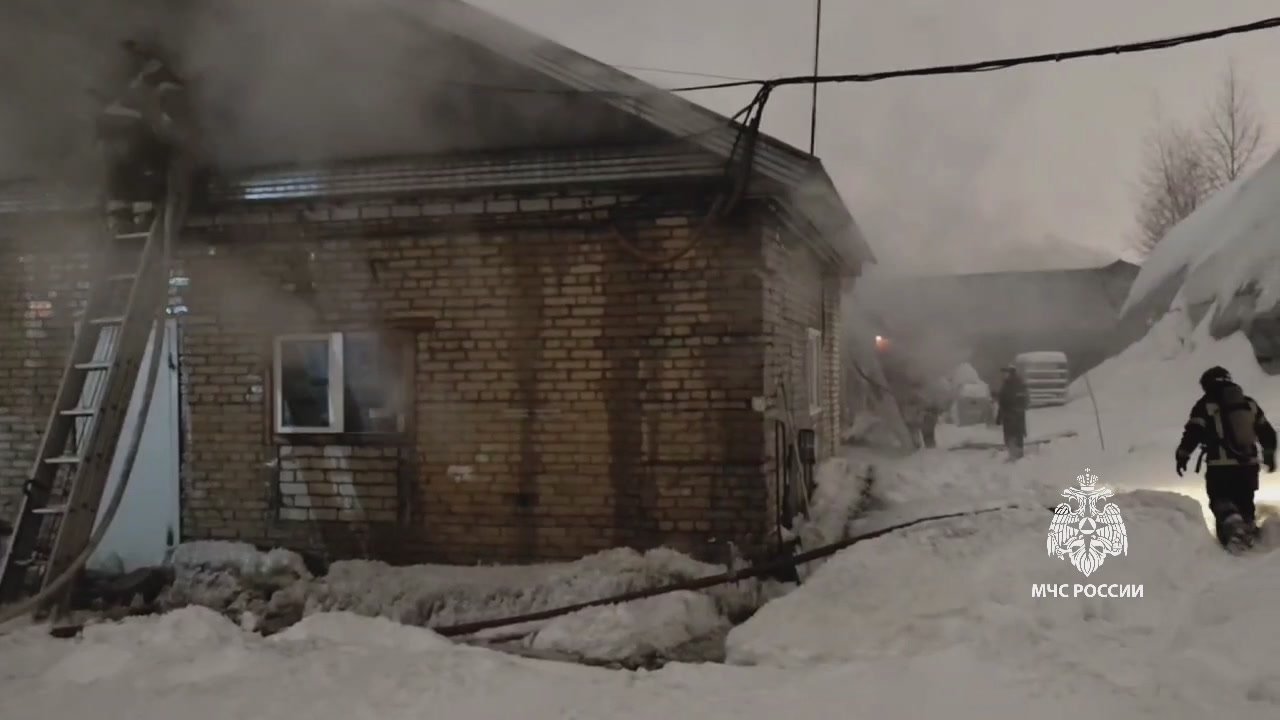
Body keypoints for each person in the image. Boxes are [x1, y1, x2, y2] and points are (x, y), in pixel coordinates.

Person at [1175, 366, 1277, 549]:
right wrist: (1269, 454)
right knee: (1245, 500)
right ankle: (1248, 528)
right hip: (1249, 466)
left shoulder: (1205, 405)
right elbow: (1266, 431)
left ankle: (1235, 529)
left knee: (1220, 498)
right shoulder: (1249, 404)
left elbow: (1193, 431)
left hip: (1221, 466)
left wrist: (1183, 455)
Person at [995, 365, 1028, 460]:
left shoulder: (1012, 385)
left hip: (1013, 417)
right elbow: (1003, 402)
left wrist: (1001, 416)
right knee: (1014, 437)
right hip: (1014, 417)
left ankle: (1015, 458)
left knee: (1013, 437)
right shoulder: (1013, 383)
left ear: (1010, 373)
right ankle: (1015, 457)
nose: (1003, 375)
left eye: (1005, 373)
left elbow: (1005, 401)